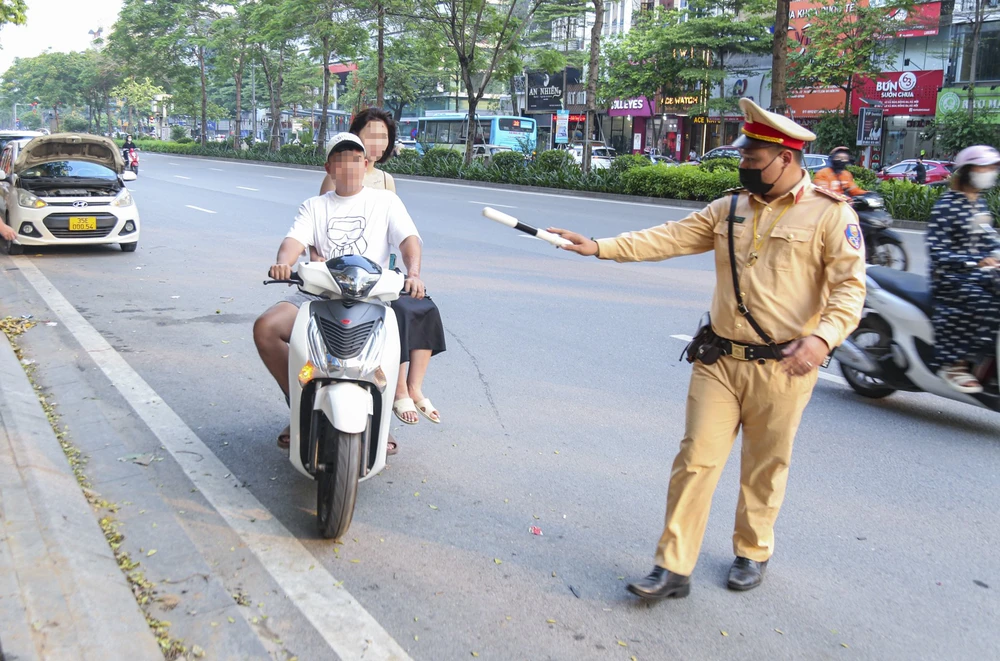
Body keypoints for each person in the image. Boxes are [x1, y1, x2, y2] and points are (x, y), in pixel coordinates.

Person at [548, 99, 866, 600]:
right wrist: (598, 245)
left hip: (784, 367)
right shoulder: (730, 207)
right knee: (695, 459)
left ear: (786, 158)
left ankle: (752, 549)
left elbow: (850, 289)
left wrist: (822, 338)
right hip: (718, 360)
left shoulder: (831, 216)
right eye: (744, 159)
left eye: (753, 160)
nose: (744, 167)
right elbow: (668, 238)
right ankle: (673, 567)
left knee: (765, 464)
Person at [254, 133, 444, 455]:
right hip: (320, 293)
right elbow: (293, 241)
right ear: (329, 167)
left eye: (356, 159)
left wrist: (413, 274)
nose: (349, 165)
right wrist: (283, 264)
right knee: (266, 328)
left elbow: (409, 239)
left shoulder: (385, 202)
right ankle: (301, 405)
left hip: (373, 295)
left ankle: (381, 418)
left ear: (366, 164)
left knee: (393, 340)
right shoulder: (314, 206)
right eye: (340, 160)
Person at [319, 108, 446, 427]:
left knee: (422, 305)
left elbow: (399, 233)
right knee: (396, 312)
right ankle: (399, 387)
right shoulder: (334, 177)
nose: (377, 142)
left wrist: (408, 274)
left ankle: (414, 387)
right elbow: (323, 231)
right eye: (370, 135)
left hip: (379, 272)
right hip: (343, 275)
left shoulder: (387, 182)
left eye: (383, 137)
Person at [926, 145, 1000, 393]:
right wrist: (975, 261)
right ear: (967, 171)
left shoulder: (979, 203)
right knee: (985, 303)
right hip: (951, 276)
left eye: (992, 167)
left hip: (977, 274)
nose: (989, 172)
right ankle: (956, 364)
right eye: (984, 167)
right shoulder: (947, 205)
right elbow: (937, 251)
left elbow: (990, 240)